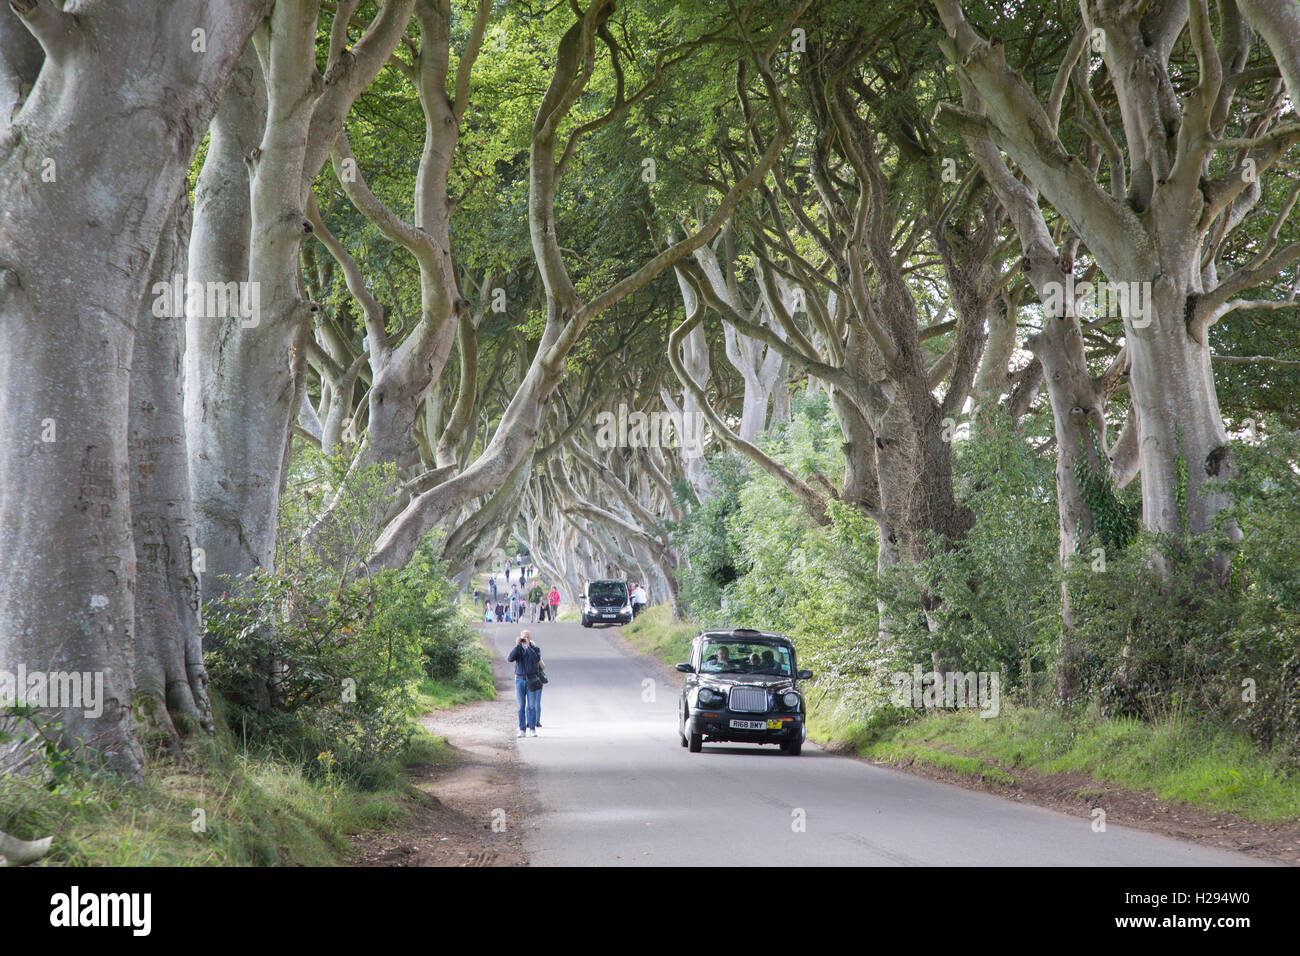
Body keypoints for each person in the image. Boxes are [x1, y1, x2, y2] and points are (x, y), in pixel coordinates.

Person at [507, 630, 543, 737]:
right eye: (523, 637)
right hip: (519, 680)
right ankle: (522, 729)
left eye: (527, 637)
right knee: (521, 706)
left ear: (530, 638)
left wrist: (528, 647)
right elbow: (510, 658)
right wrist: (517, 646)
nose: (525, 639)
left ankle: (532, 728)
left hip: (531, 680)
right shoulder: (518, 649)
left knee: (531, 705)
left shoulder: (535, 649)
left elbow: (536, 659)